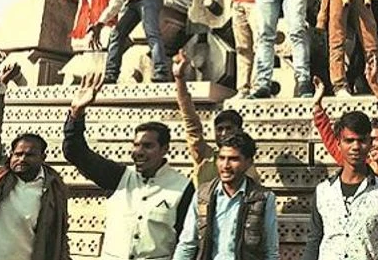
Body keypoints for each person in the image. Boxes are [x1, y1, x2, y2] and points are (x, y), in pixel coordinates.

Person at [62, 73, 194, 260]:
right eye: (136, 144)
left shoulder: (182, 187)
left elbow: (187, 242)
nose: (138, 151)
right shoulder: (118, 177)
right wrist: (76, 113)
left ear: (164, 149)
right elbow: (75, 152)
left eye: (148, 146)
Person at [301, 111, 378, 260]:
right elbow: (314, 241)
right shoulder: (323, 191)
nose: (355, 147)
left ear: (369, 143)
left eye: (361, 140)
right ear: (338, 143)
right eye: (349, 141)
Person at [0, 64, 70, 260]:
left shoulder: (53, 189)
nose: (21, 159)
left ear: (43, 158)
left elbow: (59, 236)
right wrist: (0, 88)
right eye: (17, 154)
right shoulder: (1, 176)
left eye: (29, 155)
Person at [172, 132, 279, 260]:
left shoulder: (263, 198)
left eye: (234, 159)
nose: (225, 166)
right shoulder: (202, 195)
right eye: (221, 158)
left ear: (248, 162)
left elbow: (271, 250)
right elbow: (187, 244)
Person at [173, 50, 260, 188]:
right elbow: (191, 121)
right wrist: (179, 78)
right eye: (220, 129)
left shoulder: (247, 167)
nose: (224, 133)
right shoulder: (205, 157)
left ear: (239, 130)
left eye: (229, 128)